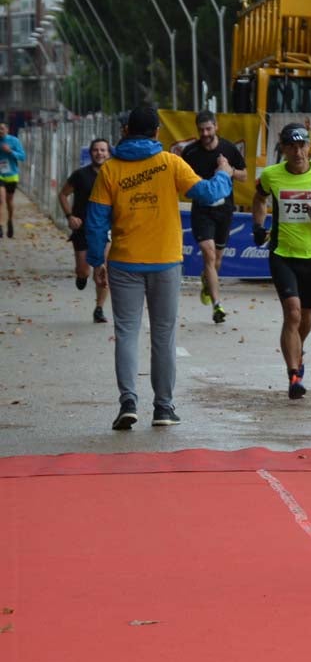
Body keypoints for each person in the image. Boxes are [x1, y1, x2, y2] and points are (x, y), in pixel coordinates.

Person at [87, 105, 233, 431]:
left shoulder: (109, 170)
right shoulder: (170, 164)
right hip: (165, 262)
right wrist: (223, 171)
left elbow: (96, 221)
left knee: (126, 333)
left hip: (124, 261)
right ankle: (163, 408)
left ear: (125, 132)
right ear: (156, 133)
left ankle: (128, 401)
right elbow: (209, 195)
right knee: (163, 335)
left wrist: (97, 261)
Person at [251, 122, 311, 399]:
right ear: (282, 148)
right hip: (282, 254)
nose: (298, 152)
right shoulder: (271, 175)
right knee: (292, 313)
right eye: (291, 146)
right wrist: (258, 227)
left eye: (302, 145)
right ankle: (294, 375)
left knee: (305, 316)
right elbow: (258, 200)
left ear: (309, 147)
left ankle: (297, 349)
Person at [181, 110, 248, 324]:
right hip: (202, 210)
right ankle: (217, 306)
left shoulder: (228, 149)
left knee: (217, 260)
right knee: (208, 254)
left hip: (224, 210)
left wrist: (229, 171)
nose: (205, 133)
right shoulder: (190, 152)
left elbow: (245, 175)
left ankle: (207, 281)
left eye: (209, 129)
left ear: (216, 127)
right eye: (201, 130)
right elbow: (183, 181)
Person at [58, 138, 112, 323]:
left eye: (103, 150)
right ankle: (81, 275)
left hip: (105, 228)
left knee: (103, 267)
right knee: (84, 270)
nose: (100, 153)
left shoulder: (114, 174)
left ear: (109, 153)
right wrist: (69, 216)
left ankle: (99, 308)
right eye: (96, 150)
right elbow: (63, 194)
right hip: (82, 227)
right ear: (91, 153)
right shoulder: (80, 175)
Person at [0, 122, 28, 238]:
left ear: (7, 130)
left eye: (1, 129)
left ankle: (10, 221)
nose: (0, 131)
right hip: (0, 175)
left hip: (12, 175)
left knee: (9, 201)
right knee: (0, 200)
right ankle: (0, 226)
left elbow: (22, 156)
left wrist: (10, 151)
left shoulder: (14, 141)